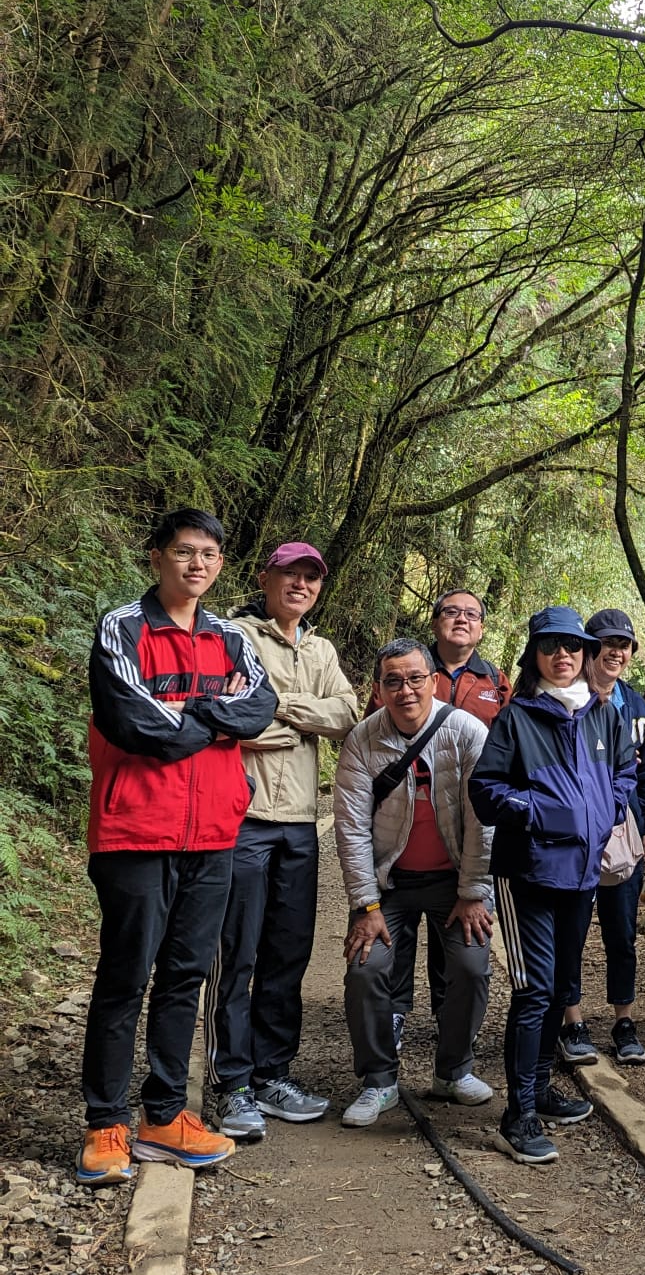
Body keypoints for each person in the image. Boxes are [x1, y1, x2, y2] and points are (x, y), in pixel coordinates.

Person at [78, 508, 277, 1185]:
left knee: (186, 976)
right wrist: (210, 721)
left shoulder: (230, 637)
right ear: (157, 556)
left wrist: (195, 717)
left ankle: (164, 1117)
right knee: (126, 975)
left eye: (210, 554)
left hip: (214, 832)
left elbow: (260, 703)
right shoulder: (122, 629)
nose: (197, 563)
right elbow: (131, 719)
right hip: (135, 830)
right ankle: (106, 1122)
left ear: (221, 564)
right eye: (184, 551)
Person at [469, 608, 636, 1164]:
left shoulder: (602, 714)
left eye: (572, 647)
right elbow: (486, 789)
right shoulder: (517, 719)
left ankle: (540, 1088)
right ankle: (518, 1115)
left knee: (563, 984)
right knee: (534, 989)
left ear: (584, 654)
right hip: (530, 873)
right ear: (535, 654)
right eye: (551, 647)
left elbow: (624, 771)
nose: (563, 656)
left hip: (583, 873)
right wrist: (541, 812)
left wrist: (609, 808)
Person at [207, 541, 358, 1141]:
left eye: (310, 578)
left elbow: (348, 712)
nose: (300, 585)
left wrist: (281, 706)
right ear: (265, 577)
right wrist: (267, 720)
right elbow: (221, 708)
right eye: (289, 575)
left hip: (299, 821)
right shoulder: (233, 635)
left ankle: (273, 1073)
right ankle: (232, 1083)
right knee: (235, 952)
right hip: (243, 818)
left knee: (286, 954)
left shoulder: (320, 648)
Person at [333, 638, 495, 1128]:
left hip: (453, 882)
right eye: (393, 681)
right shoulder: (363, 739)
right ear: (379, 688)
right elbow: (350, 826)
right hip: (389, 885)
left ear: (432, 680)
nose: (406, 690)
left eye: (415, 679)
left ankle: (453, 1070)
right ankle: (378, 1079)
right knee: (366, 968)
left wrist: (472, 894)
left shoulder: (466, 732)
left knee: (470, 964)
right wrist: (366, 905)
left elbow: (482, 821)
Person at [372, 588, 513, 1055]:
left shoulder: (494, 680)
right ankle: (394, 1014)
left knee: (456, 925)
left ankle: (447, 1020)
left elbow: (510, 741)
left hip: (469, 823)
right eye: (451, 611)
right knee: (400, 928)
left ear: (482, 627)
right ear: (436, 622)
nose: (461, 620)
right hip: (404, 818)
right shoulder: (406, 668)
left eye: (472, 614)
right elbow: (374, 733)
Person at [558, 608, 645, 1066]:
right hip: (574, 838)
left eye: (624, 645)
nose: (615, 652)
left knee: (622, 933)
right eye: (605, 644)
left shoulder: (636, 706)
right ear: (588, 649)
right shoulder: (565, 702)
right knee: (572, 930)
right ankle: (572, 1020)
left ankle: (624, 1020)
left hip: (625, 833)